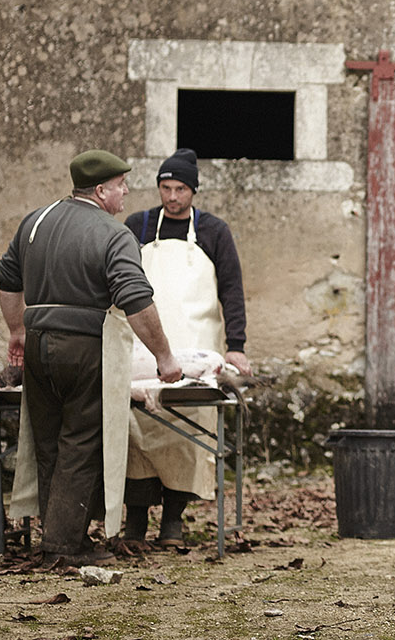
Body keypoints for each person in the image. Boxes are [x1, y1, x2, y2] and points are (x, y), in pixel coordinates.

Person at [0, 150, 182, 565]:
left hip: (39, 345)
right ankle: (64, 546)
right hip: (83, 348)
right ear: (101, 190)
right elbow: (136, 299)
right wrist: (165, 356)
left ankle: (59, 536)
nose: (127, 191)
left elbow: (8, 279)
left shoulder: (35, 222)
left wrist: (17, 332)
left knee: (48, 441)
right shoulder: (113, 234)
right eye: (121, 185)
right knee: (81, 440)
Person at [120, 148, 250, 548]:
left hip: (195, 352)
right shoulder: (137, 226)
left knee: (187, 436)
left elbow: (231, 290)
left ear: (193, 190)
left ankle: (173, 522)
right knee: (136, 433)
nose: (172, 196)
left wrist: (236, 346)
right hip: (143, 353)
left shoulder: (214, 231)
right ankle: (136, 523)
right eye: (165, 187)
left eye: (180, 189)